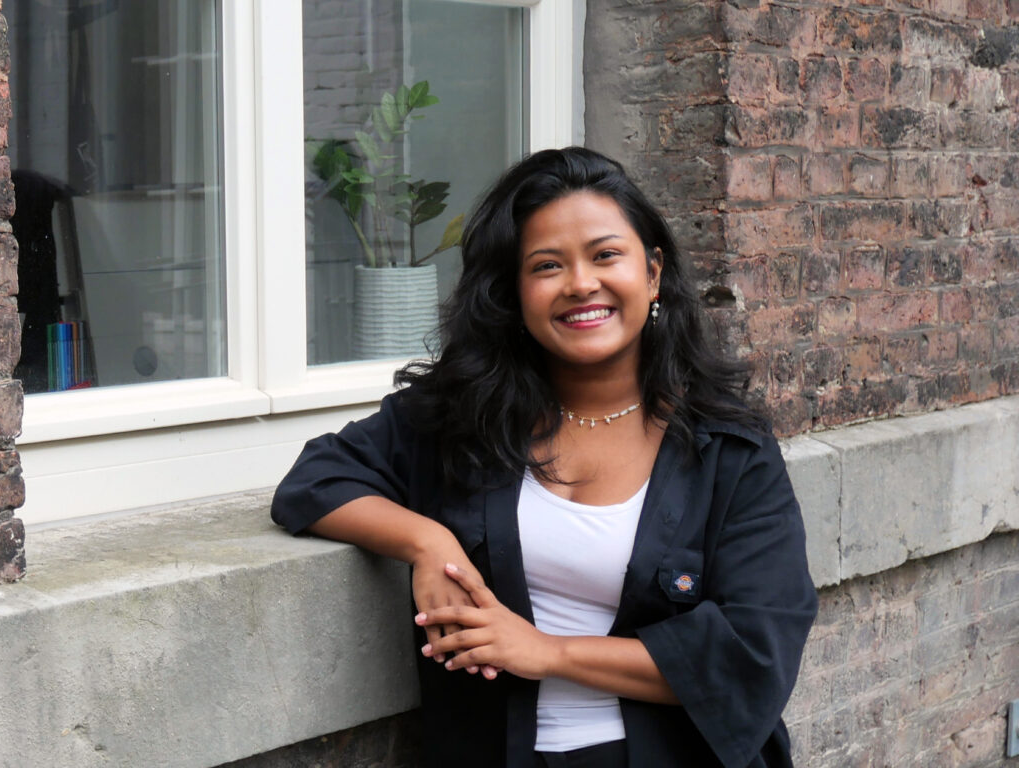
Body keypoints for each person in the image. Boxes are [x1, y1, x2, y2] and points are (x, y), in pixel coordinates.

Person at [271, 147, 818, 768]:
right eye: (547, 265)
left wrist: (545, 651)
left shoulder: (728, 451)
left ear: (654, 272)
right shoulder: (464, 416)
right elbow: (314, 479)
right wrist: (427, 543)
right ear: (514, 292)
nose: (581, 283)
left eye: (606, 254)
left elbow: (754, 654)